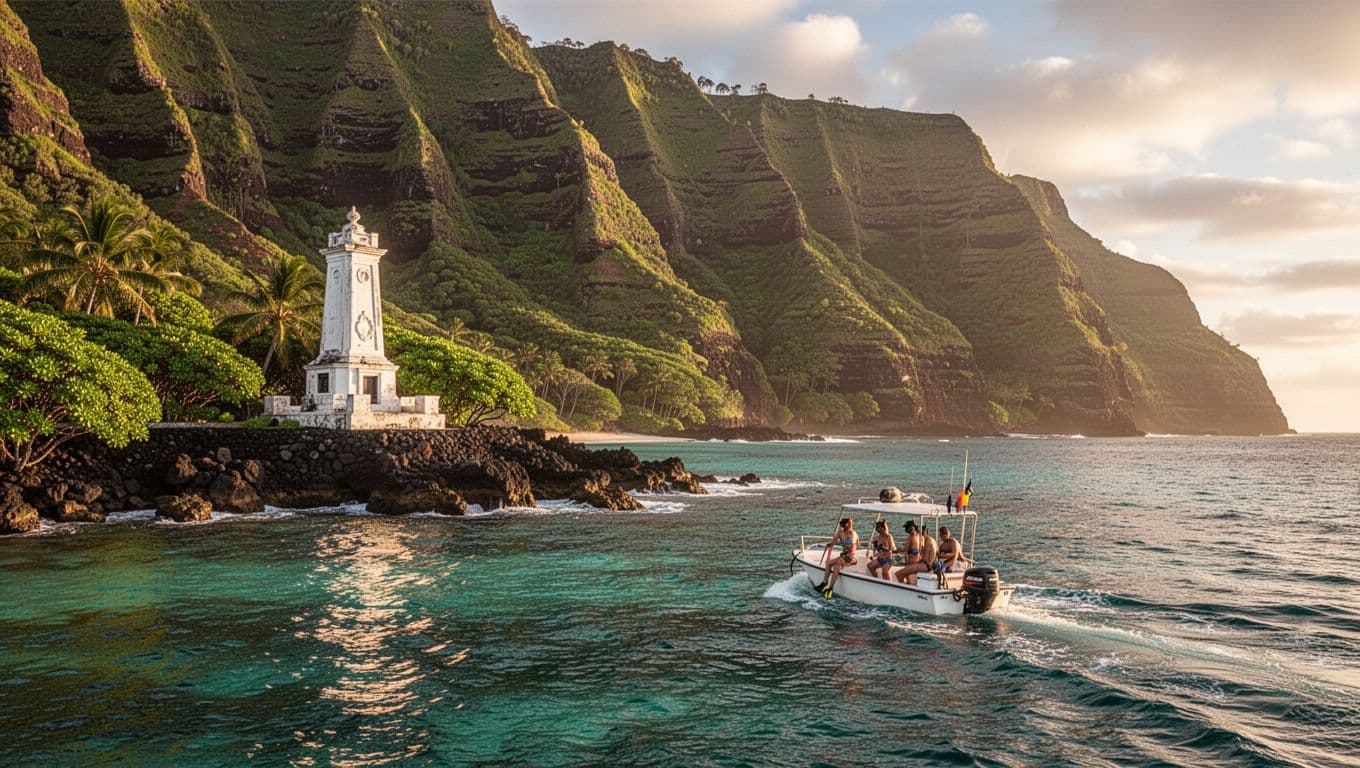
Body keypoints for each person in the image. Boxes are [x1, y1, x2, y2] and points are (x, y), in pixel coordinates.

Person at [816, 517, 858, 598]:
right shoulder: (840, 532)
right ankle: (824, 583)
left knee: (837, 565)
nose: (849, 525)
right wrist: (830, 545)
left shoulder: (852, 533)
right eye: (847, 524)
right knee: (828, 563)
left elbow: (852, 547)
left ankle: (831, 588)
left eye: (850, 524)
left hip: (851, 557)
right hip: (844, 555)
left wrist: (845, 545)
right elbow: (833, 542)